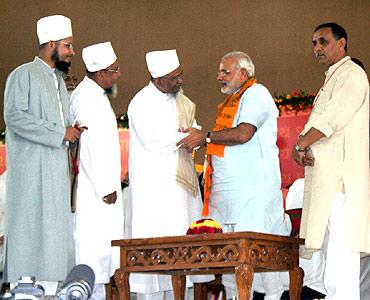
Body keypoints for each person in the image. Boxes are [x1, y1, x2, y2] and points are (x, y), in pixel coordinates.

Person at [178, 51, 289, 299]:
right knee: (230, 254)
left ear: (243, 73)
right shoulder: (232, 101)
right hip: (229, 194)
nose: (219, 77)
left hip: (252, 190)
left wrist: (204, 137)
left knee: (261, 250)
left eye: (225, 72)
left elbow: (243, 134)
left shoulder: (256, 94)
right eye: (219, 71)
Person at [3, 15, 83, 293]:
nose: (72, 53)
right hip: (31, 170)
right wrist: (59, 133)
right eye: (68, 46)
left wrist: (70, 132)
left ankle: (52, 288)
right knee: (30, 225)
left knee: (54, 230)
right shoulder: (22, 74)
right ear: (51, 45)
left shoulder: (58, 80)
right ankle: (24, 288)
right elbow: (14, 117)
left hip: (55, 168)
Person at [292, 23, 369, 299]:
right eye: (314, 43)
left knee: (341, 261)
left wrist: (301, 142)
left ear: (342, 43)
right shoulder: (332, 78)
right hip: (327, 181)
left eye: (323, 42)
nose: (317, 49)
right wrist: (302, 146)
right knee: (327, 261)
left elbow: (332, 118)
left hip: (342, 184)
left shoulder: (352, 74)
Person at [127, 49, 205, 299]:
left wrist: (195, 132)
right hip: (156, 190)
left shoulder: (179, 98)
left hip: (182, 188)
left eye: (180, 75)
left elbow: (191, 126)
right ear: (158, 79)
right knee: (158, 254)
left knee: (185, 244)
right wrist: (189, 136)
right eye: (175, 77)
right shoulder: (141, 102)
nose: (180, 81)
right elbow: (153, 139)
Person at [70, 42, 124, 300]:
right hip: (95, 193)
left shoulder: (96, 96)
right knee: (90, 262)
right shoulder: (85, 98)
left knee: (101, 264)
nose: (118, 74)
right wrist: (105, 187)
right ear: (101, 73)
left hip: (102, 192)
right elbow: (88, 146)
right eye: (115, 70)